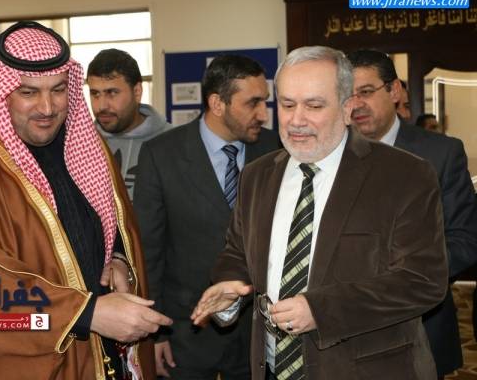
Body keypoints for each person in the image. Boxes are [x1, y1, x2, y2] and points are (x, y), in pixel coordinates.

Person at [0, 21, 171, 380]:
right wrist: (85, 314)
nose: (47, 107)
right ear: (3, 92)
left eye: (58, 90)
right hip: (35, 358)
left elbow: (114, 223)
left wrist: (120, 259)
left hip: (104, 348)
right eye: (29, 92)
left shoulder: (89, 147)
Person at [191, 46, 448, 380]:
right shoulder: (257, 175)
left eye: (313, 106)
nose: (296, 120)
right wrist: (229, 286)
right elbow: (238, 252)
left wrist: (321, 310)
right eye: (287, 105)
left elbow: (422, 280)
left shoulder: (403, 175)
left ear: (347, 108)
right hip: (271, 369)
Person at [134, 54, 281, 379]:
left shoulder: (275, 149)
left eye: (264, 102)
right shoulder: (162, 154)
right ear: (217, 103)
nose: (263, 114)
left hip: (258, 333)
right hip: (186, 333)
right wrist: (155, 333)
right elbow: (149, 250)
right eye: (252, 103)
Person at [348, 48, 477, 379]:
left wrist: (401, 279)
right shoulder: (328, 154)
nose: (356, 104)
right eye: (348, 95)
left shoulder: (441, 153)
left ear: (394, 91)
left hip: (421, 326)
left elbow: (465, 240)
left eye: (366, 91)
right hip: (345, 333)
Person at [87, 49, 171, 199]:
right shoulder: (79, 145)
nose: (101, 106)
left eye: (112, 93)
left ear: (137, 92)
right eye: (95, 94)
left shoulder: (172, 142)